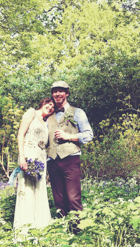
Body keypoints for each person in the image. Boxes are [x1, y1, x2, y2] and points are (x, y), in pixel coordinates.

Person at [46, 81, 93, 222]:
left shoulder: (77, 112)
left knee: (73, 197)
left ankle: (78, 230)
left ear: (67, 93)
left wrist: (70, 137)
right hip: (52, 160)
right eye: (55, 91)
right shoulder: (48, 114)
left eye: (61, 91)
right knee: (58, 198)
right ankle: (62, 229)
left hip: (70, 159)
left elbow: (89, 134)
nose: (57, 94)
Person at [13, 97, 55, 230]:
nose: (50, 107)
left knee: (39, 188)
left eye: (53, 107)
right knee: (27, 188)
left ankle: (40, 224)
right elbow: (20, 134)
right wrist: (22, 157)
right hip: (29, 153)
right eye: (49, 104)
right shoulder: (31, 113)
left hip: (41, 157)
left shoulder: (46, 121)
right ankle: (25, 225)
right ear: (43, 103)